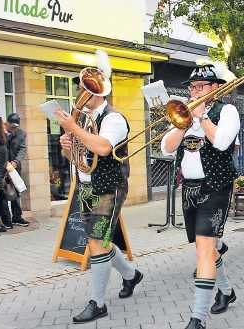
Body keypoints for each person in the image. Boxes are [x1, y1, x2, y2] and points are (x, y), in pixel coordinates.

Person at [55, 66, 142, 324]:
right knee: (98, 241)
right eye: (81, 88)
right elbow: (78, 158)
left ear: (98, 93)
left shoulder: (113, 118)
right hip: (87, 187)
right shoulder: (83, 120)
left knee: (96, 242)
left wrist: (73, 128)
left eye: (85, 89)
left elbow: (103, 148)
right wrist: (67, 147)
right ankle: (130, 274)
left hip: (108, 188)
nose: (80, 93)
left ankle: (98, 302)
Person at [161, 64, 239, 329]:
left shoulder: (226, 111)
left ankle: (198, 318)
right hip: (190, 189)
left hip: (216, 186)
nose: (194, 92)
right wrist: (184, 123)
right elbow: (166, 148)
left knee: (204, 251)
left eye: (200, 87)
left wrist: (202, 116)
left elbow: (221, 142)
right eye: (192, 88)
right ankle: (226, 291)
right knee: (206, 249)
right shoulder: (185, 116)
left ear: (214, 88)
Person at [5, 113, 29, 227]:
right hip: (2, 166)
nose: (14, 129)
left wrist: (16, 161)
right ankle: (5, 219)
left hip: (14, 167)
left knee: (16, 192)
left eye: (16, 127)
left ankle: (17, 217)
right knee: (2, 192)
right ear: (7, 124)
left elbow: (22, 149)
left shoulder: (21, 134)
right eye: (12, 126)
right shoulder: (2, 133)